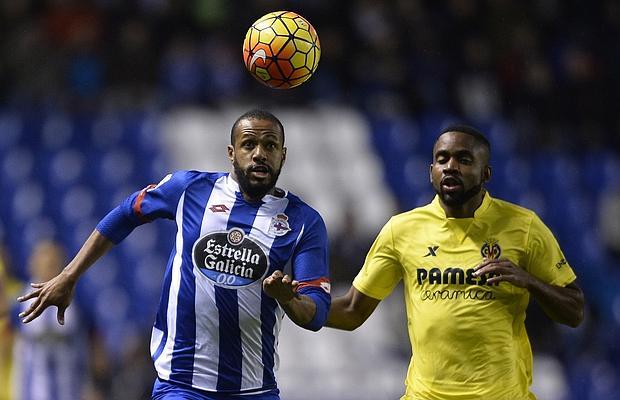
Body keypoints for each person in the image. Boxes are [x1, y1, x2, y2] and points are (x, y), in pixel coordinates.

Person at [17, 110, 331, 400]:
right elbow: (126, 213)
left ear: (283, 155)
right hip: (181, 384)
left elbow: (316, 313)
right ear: (231, 153)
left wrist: (288, 298)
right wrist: (70, 275)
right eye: (249, 144)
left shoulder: (304, 222)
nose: (259, 153)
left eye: (270, 145)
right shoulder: (189, 189)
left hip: (254, 389)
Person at [326, 125, 584, 400]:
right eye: (442, 159)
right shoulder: (401, 230)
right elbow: (353, 310)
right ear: (431, 172)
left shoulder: (524, 227)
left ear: (486, 173)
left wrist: (529, 281)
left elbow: (574, 311)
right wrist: (291, 302)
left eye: (464, 159)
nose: (450, 166)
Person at [10, 240, 100, 400]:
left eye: (52, 263)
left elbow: (92, 338)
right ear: (33, 264)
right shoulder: (21, 300)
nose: (48, 267)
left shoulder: (76, 298)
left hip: (70, 388)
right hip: (30, 390)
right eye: (44, 263)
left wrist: (91, 385)